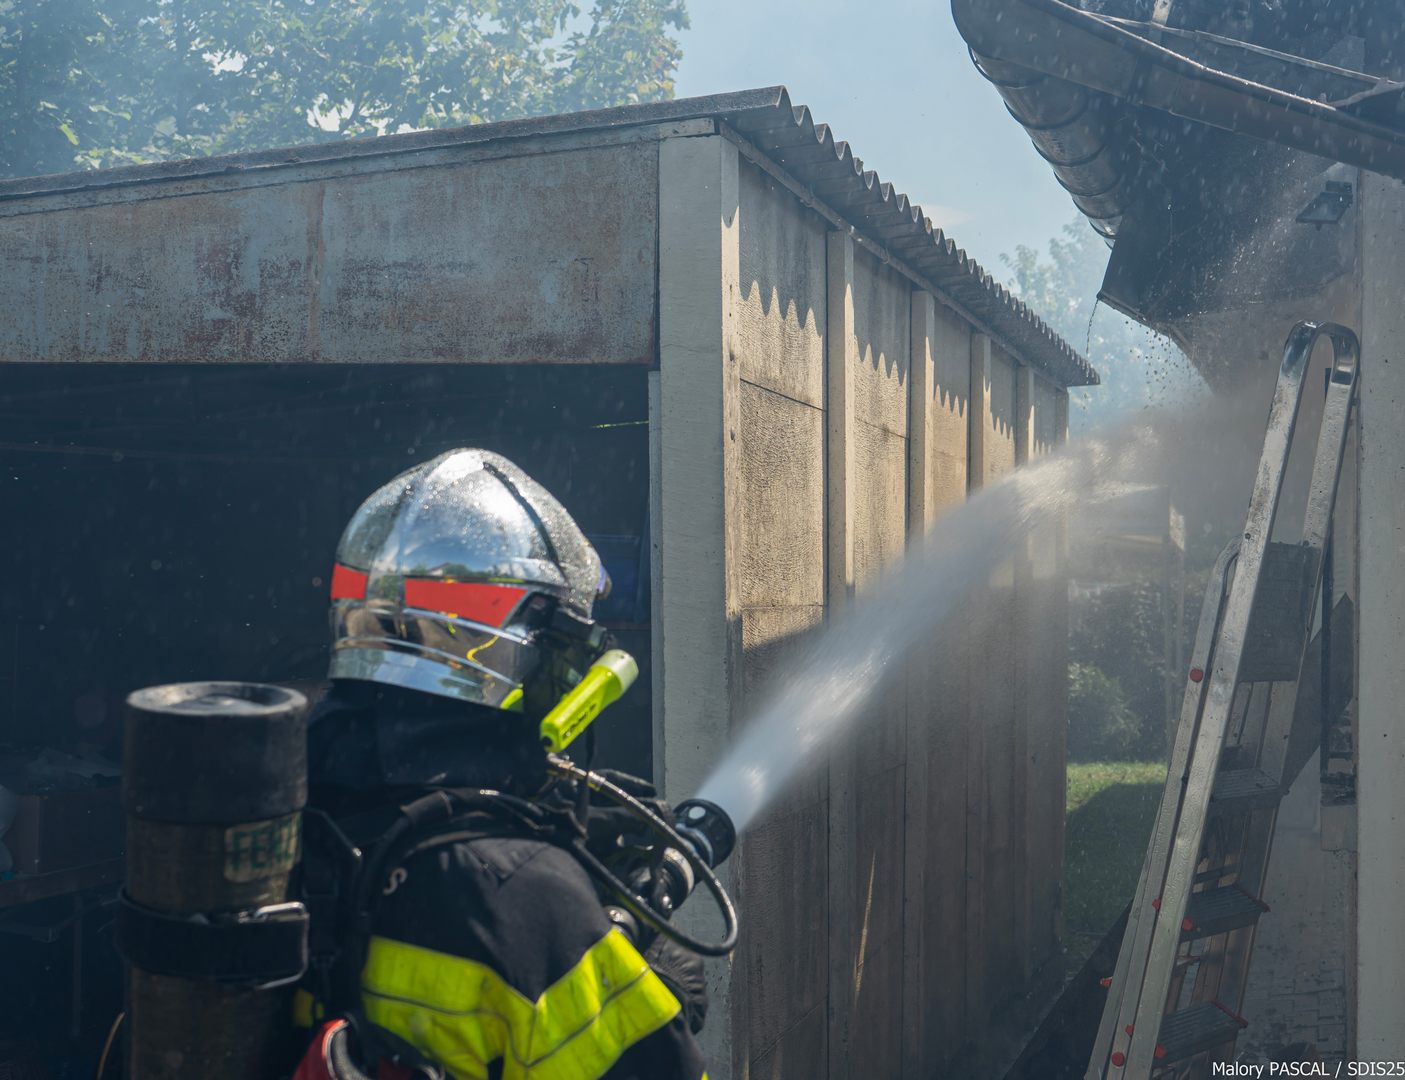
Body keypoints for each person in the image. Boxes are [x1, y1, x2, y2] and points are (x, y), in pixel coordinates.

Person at [292, 449, 709, 1080]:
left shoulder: (273, 821)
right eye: (568, 650)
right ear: (528, 647)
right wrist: (653, 1003)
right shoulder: (523, 897)